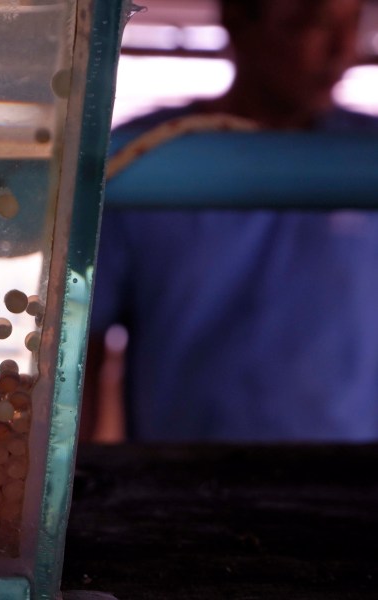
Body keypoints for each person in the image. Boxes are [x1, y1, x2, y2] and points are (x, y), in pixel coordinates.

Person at [81, 0, 378, 442]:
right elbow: (81, 348)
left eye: (353, 22)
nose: (341, 50)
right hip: (183, 483)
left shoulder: (366, 155)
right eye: (307, 23)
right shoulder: (141, 158)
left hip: (353, 486)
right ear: (238, 22)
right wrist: (79, 489)